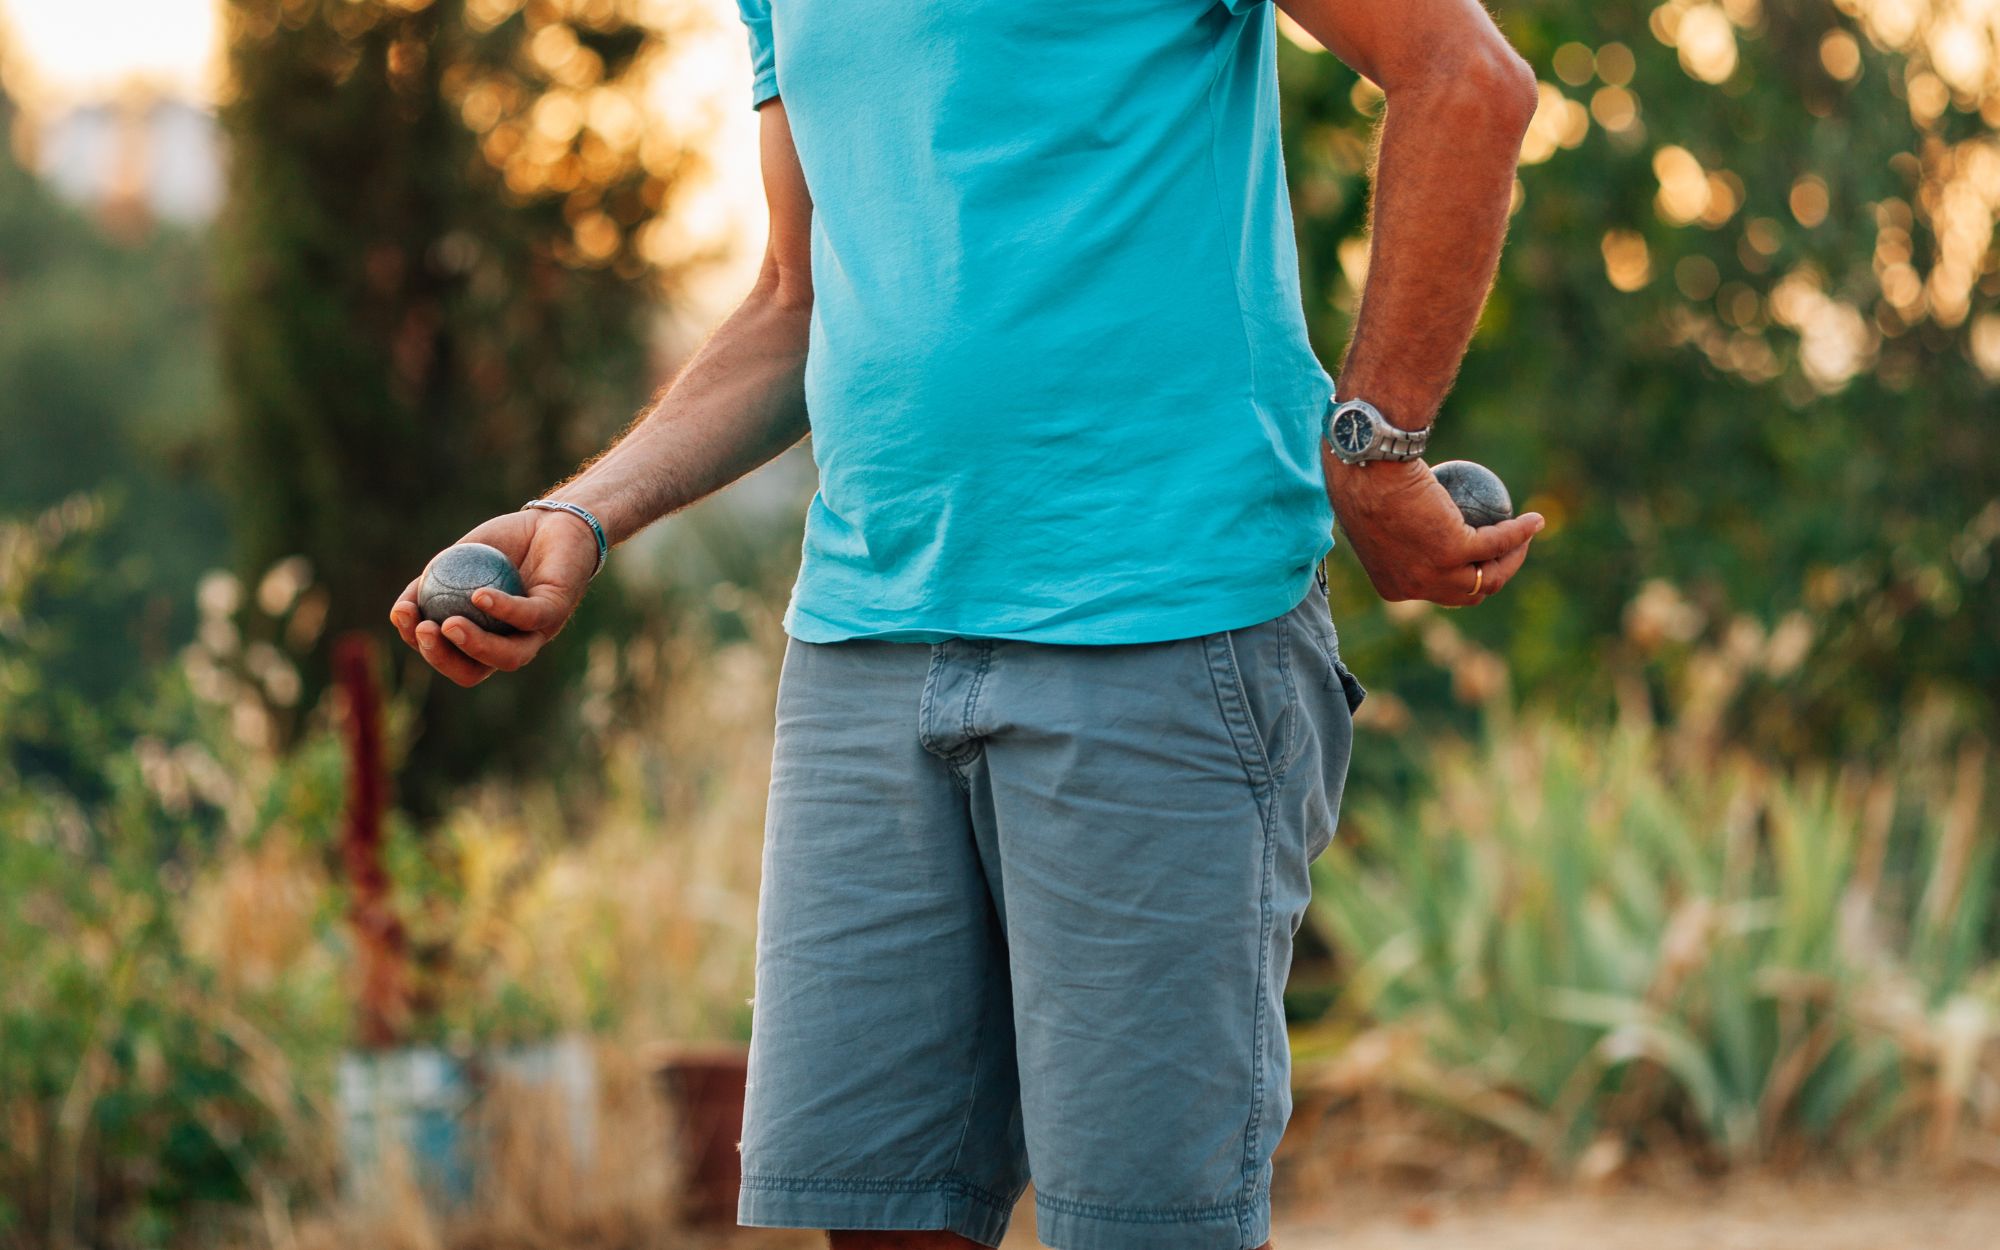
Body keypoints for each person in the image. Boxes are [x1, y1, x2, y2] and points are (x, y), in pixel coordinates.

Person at [391, 0, 1544, 1244]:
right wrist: (583, 510)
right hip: (862, 648)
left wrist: (1372, 450)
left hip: (1161, 623)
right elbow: (794, 296)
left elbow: (1464, 79)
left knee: (1141, 1225)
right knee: (878, 1216)